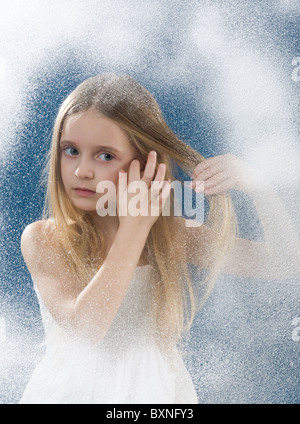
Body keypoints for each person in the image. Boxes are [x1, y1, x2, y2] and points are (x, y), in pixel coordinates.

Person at [19, 73, 300, 404]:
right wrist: (134, 229)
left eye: (105, 155)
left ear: (145, 164)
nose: (82, 170)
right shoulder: (44, 238)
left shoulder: (172, 236)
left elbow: (285, 264)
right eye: (71, 150)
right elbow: (87, 329)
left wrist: (260, 188)